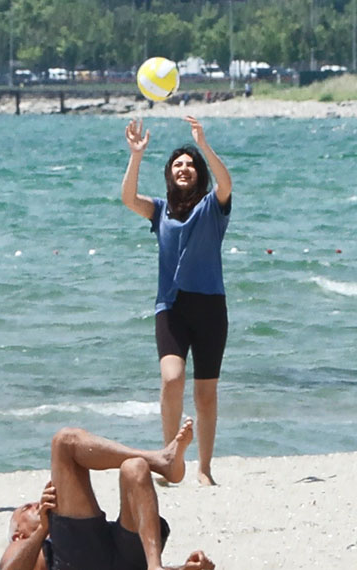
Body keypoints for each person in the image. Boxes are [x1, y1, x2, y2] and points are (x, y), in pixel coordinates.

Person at [122, 116, 233, 486]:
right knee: (172, 380)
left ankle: (203, 468)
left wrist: (203, 144)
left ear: (198, 173)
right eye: (177, 164)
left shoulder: (213, 208)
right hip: (170, 307)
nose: (183, 169)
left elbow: (226, 183)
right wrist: (136, 156)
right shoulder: (159, 210)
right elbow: (127, 198)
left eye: (189, 165)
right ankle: (170, 459)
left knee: (205, 393)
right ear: (170, 174)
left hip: (210, 308)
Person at [0, 419, 217, 570]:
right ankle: (160, 461)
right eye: (25, 509)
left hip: (116, 556)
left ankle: (155, 564)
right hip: (78, 561)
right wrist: (43, 529)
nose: (35, 504)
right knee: (63, 442)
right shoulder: (23, 547)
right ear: (18, 535)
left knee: (135, 468)